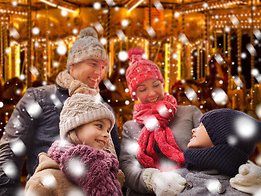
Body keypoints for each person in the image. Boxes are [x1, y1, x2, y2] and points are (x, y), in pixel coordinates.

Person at [0, 27, 121, 195]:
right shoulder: (38, 98)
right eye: (93, 64)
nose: (99, 73)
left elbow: (116, 160)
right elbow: (10, 152)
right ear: (73, 63)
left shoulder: (103, 108)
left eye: (103, 66)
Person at [119, 47, 202, 196]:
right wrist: (153, 180)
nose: (151, 94)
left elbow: (214, 144)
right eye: (143, 89)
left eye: (156, 85)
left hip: (192, 190)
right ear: (134, 94)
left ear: (163, 84)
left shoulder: (189, 113)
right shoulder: (130, 127)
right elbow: (126, 168)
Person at [25, 92, 124, 195]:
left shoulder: (110, 174)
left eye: (108, 130)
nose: (106, 135)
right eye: (99, 126)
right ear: (74, 127)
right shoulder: (44, 181)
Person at [175, 108, 261, 195]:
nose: (193, 129)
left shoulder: (241, 189)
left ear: (222, 136)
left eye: (202, 126)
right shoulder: (172, 180)